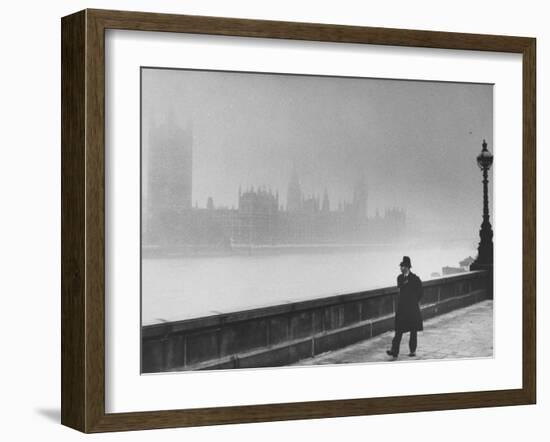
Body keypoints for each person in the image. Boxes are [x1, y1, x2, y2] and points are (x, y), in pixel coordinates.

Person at [386, 256, 424, 359]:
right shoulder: (400, 278)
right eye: (401, 266)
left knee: (413, 330)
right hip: (402, 309)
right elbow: (401, 288)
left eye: (403, 266)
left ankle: (412, 350)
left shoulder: (415, 279)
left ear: (407, 267)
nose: (401, 268)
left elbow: (420, 292)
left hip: (412, 309)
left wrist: (414, 301)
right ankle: (394, 351)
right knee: (398, 330)